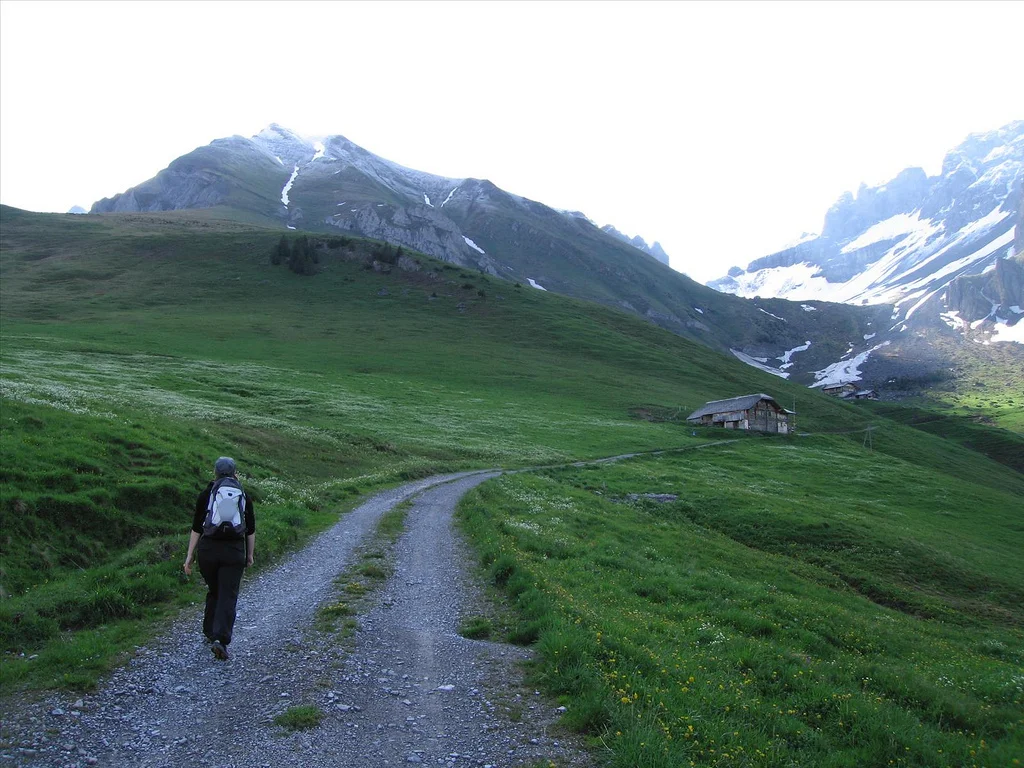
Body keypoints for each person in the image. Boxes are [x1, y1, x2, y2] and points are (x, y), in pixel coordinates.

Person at [183, 457, 255, 660]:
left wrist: (190, 556)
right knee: (228, 594)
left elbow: (197, 527)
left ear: (214, 473)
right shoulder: (243, 495)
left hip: (208, 550)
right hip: (233, 551)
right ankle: (220, 639)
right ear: (235, 474)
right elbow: (250, 529)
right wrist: (249, 555)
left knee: (214, 589)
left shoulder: (207, 493)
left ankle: (209, 631)